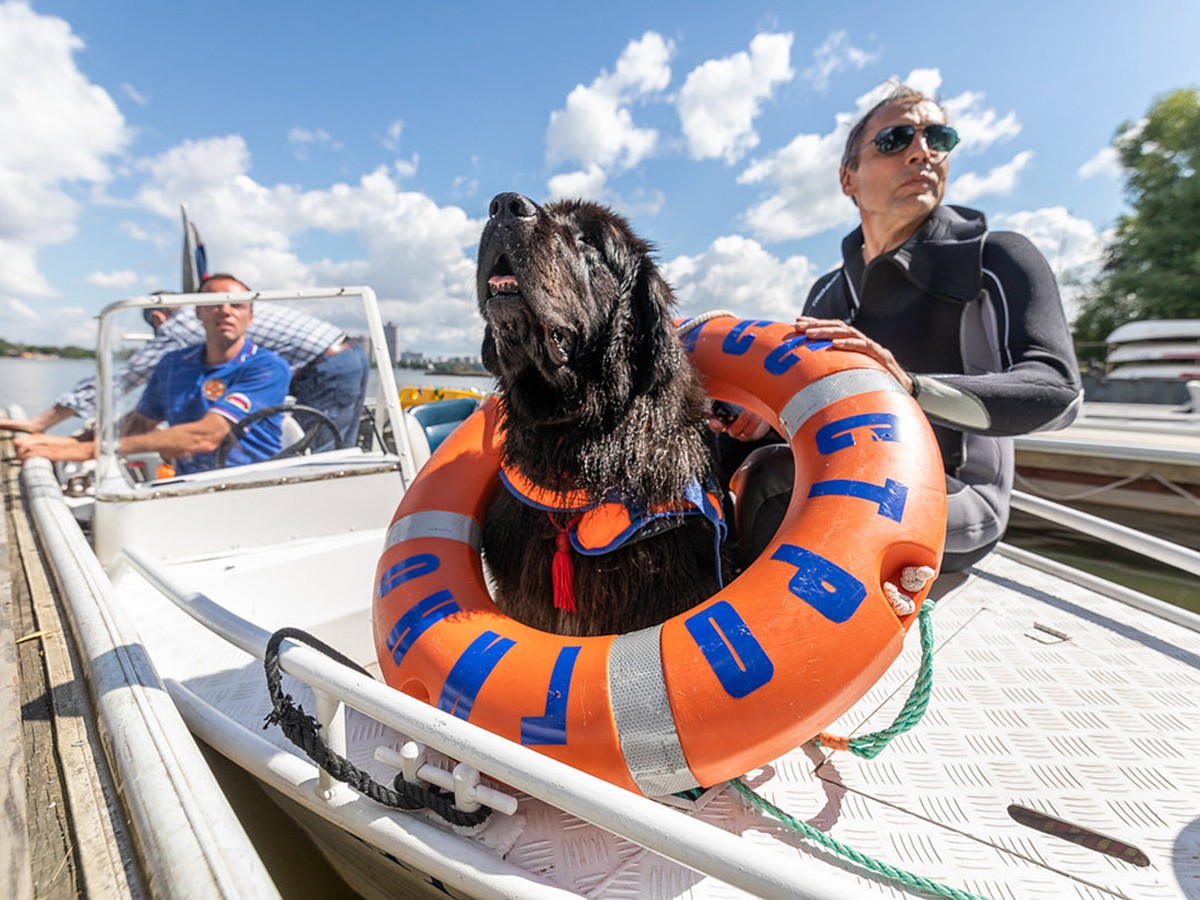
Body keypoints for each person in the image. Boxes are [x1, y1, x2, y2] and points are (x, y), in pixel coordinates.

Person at [716, 83, 1082, 572]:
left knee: (777, 478)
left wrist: (908, 387)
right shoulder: (829, 292)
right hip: (842, 469)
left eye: (939, 138)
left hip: (955, 494)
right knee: (709, 444)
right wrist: (760, 416)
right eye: (896, 140)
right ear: (848, 178)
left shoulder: (995, 259)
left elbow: (1060, 394)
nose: (921, 153)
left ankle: (755, 639)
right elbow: (809, 402)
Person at [1, 274, 369, 452]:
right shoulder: (195, 345)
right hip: (337, 354)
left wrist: (47, 425)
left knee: (323, 454)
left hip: (328, 366)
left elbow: (120, 380)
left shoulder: (180, 327)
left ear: (161, 319)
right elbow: (145, 413)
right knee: (317, 445)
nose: (223, 311)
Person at [16, 297, 291, 474]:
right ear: (198, 311)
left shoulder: (267, 366)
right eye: (215, 304)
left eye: (237, 305)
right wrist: (73, 441)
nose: (225, 312)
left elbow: (205, 436)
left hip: (247, 485)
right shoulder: (175, 363)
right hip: (188, 483)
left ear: (251, 317)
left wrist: (91, 451)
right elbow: (140, 422)